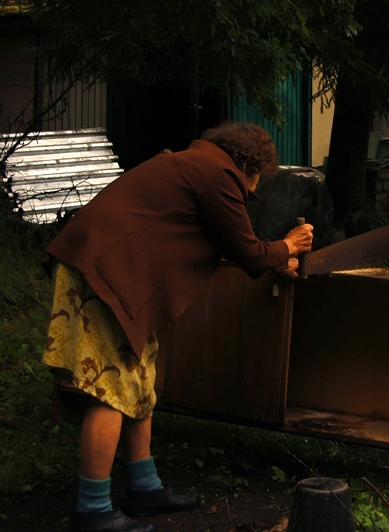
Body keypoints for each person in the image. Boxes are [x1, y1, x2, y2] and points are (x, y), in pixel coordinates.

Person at [42, 122, 314, 532]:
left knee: (139, 380)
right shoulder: (217, 172)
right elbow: (248, 252)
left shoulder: (192, 163)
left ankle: (144, 487)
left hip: (112, 271)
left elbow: (228, 242)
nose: (248, 194)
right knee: (110, 388)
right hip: (104, 274)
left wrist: (278, 258)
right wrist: (289, 246)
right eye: (252, 185)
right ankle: (93, 511)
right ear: (245, 163)